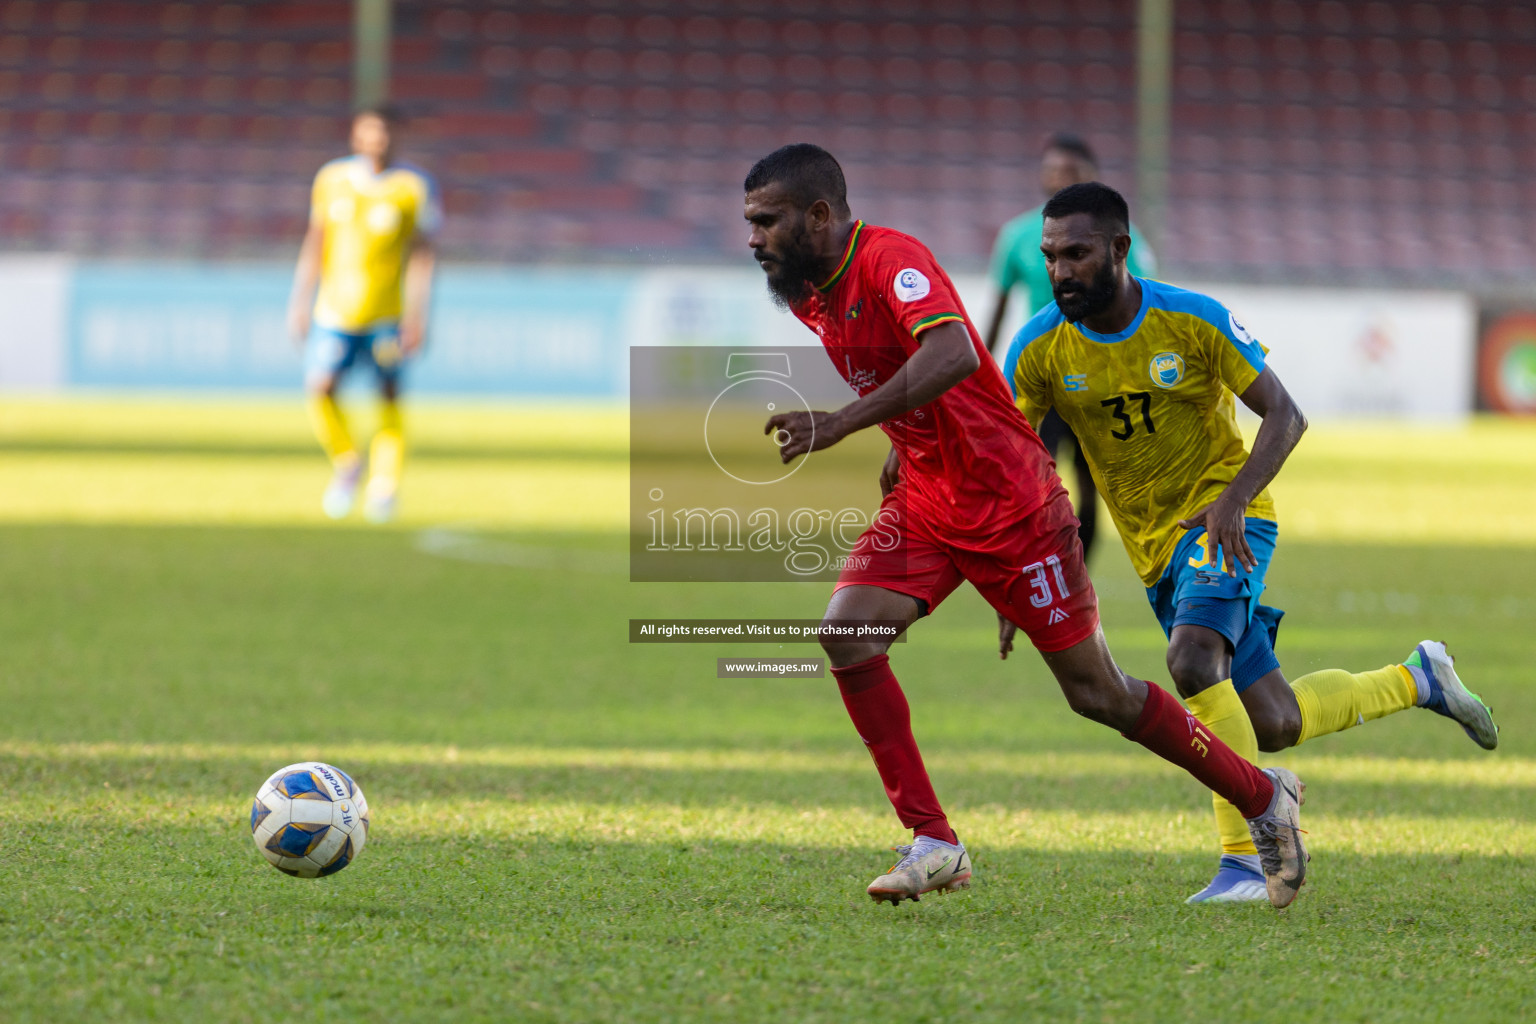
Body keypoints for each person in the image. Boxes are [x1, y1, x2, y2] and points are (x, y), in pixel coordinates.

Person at [743, 143, 1308, 910]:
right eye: (750, 223)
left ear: (818, 216)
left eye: (766, 221)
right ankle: (934, 840)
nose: (754, 238)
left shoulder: (891, 261)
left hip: (1010, 507)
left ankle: (1261, 796)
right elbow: (906, 373)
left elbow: (947, 352)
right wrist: (902, 445)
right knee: (847, 631)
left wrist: (844, 423)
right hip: (930, 498)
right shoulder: (811, 289)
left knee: (1098, 694)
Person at [1002, 182, 1499, 904]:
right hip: (1154, 549)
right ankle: (1421, 677)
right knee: (1273, 720)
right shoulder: (1040, 346)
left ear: (1119, 249)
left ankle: (1243, 859)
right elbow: (1012, 460)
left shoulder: (1191, 320)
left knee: (1192, 659)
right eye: (1050, 257)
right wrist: (1018, 571)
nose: (1060, 271)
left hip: (1227, 520)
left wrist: (1232, 501)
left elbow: (1285, 414)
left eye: (1076, 254)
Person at [983, 134, 1156, 562]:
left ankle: (1079, 572)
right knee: (1031, 477)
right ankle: (1038, 564)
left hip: (1099, 374)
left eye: (1071, 172)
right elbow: (998, 311)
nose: (1060, 179)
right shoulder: (1017, 236)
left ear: (1091, 177)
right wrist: (982, 374)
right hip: (1042, 375)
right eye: (1053, 170)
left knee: (1091, 479)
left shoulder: (1117, 238)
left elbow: (1143, 301)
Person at [287, 105, 440, 522]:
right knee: (320, 387)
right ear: (356, 136)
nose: (378, 139)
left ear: (396, 136)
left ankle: (385, 485)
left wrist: (418, 314)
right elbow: (315, 242)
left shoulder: (413, 187)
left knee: (388, 394)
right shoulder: (332, 180)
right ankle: (348, 463)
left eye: (386, 132)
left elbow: (424, 256)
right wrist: (299, 300)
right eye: (370, 132)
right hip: (334, 311)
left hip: (386, 316)